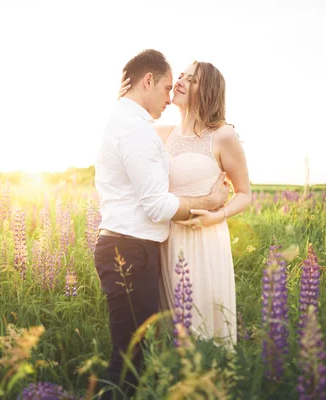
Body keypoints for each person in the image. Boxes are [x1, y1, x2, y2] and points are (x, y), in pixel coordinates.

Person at [94, 49, 230, 399]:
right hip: (130, 248)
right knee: (130, 357)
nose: (171, 97)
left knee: (138, 350)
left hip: (143, 247)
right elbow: (157, 205)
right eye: (168, 87)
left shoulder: (129, 120)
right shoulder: (136, 129)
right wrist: (211, 203)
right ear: (148, 81)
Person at [119, 60, 251, 346]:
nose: (179, 81)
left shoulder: (223, 135)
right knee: (172, 329)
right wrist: (123, 100)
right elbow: (125, 131)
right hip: (166, 239)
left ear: (207, 91)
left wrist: (219, 215)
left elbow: (244, 193)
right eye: (180, 76)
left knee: (204, 326)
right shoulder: (162, 133)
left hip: (206, 239)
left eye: (191, 80)